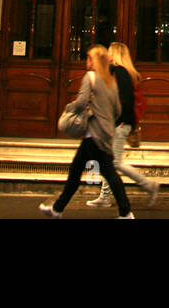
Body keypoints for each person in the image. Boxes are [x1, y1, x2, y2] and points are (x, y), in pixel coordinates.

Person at [39, 45, 133, 219]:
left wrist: (69, 108)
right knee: (79, 171)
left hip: (93, 135)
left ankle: (126, 212)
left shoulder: (90, 77)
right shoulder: (110, 82)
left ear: (94, 60)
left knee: (106, 173)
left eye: (89, 58)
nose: (86, 61)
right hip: (104, 133)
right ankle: (57, 209)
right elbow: (118, 109)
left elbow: (81, 102)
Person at [88, 42, 158, 208]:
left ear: (116, 54)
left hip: (120, 124)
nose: (107, 55)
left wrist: (120, 122)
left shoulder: (120, 72)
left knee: (114, 162)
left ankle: (148, 185)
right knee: (110, 161)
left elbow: (125, 100)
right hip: (118, 123)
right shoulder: (119, 72)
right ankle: (105, 196)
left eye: (110, 52)